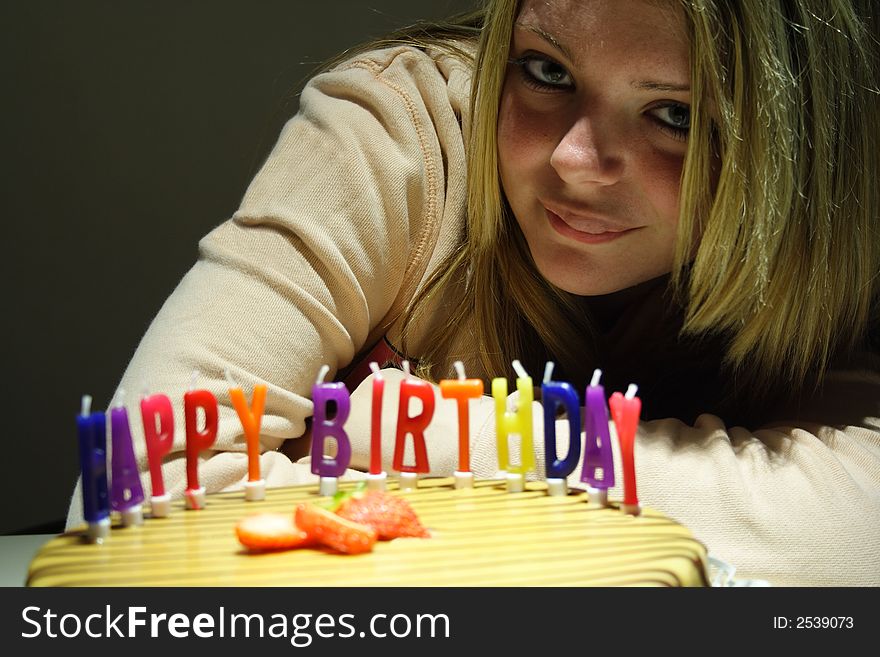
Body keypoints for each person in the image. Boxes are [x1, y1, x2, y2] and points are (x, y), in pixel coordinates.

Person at [67, 0, 880, 586]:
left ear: (798, 157)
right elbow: (127, 497)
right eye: (547, 70)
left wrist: (404, 433)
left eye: (673, 114)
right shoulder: (400, 132)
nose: (572, 159)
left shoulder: (839, 222)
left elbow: (858, 533)